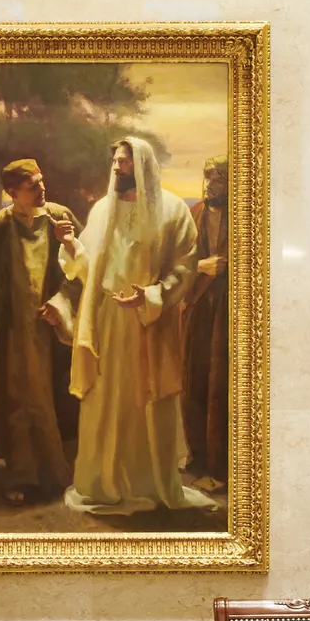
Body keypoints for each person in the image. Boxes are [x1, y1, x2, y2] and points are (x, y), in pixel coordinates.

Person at [65, 135, 202, 517]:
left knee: (146, 402)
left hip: (149, 324)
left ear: (141, 164)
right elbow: (89, 267)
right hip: (109, 321)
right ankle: (102, 481)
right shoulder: (102, 210)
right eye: (114, 160)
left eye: (123, 161)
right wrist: (72, 247)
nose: (116, 167)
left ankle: (147, 483)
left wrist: (152, 295)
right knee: (108, 399)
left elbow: (185, 267)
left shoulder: (173, 211)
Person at [0, 159, 77, 502]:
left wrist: (61, 303)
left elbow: (84, 267)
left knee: (55, 394)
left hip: (55, 327)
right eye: (33, 187)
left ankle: (58, 472)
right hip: (15, 330)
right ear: (12, 193)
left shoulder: (60, 217)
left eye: (42, 182)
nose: (42, 190)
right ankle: (22, 475)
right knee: (18, 396)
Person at [181, 159, 229, 493]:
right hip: (196, 306)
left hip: (229, 312)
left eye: (219, 177)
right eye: (207, 176)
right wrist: (201, 265)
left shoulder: (248, 216)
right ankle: (197, 458)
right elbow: (176, 260)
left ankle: (220, 468)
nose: (211, 183)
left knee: (220, 387)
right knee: (191, 381)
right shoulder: (193, 213)